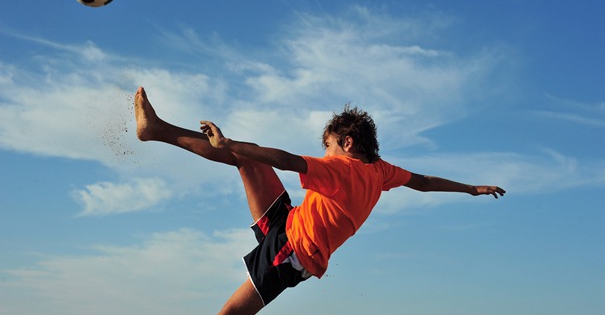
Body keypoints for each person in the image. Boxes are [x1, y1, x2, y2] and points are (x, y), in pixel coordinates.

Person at [134, 86, 505, 315]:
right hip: (291, 221)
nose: (324, 153)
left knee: (232, 313)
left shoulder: (340, 170)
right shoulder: (379, 170)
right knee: (244, 158)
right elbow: (422, 182)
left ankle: (169, 133)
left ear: (347, 144)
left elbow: (284, 159)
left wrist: (229, 142)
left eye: (327, 145)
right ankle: (155, 130)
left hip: (293, 250)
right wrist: (470, 188)